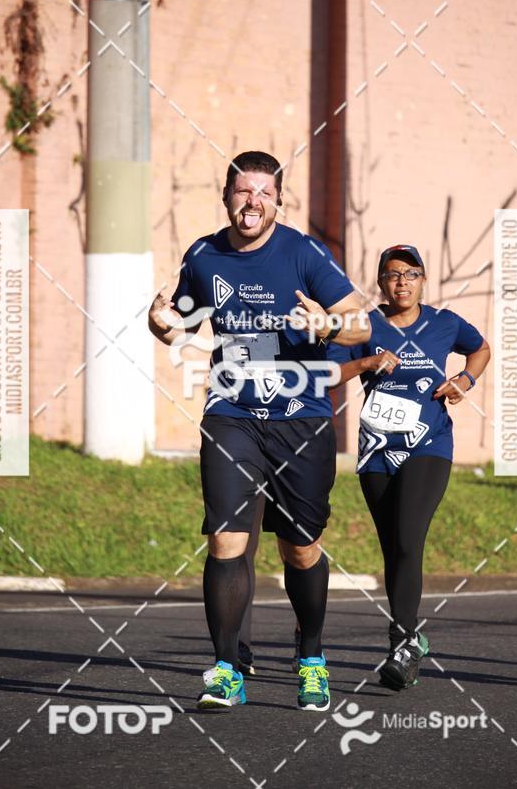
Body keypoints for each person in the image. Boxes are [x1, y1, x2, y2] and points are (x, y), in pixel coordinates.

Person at [148, 150, 370, 711]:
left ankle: (312, 658)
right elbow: (181, 321)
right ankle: (226, 669)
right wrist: (162, 328)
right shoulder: (203, 254)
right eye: (244, 192)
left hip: (301, 421)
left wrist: (328, 324)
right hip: (232, 415)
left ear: (278, 200)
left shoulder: (304, 252)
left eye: (265, 193)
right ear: (227, 198)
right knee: (226, 541)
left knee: (301, 549)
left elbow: (360, 323)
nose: (254, 202)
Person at [330, 244, 490, 691]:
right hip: (377, 449)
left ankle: (401, 645)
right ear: (380, 282)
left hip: (429, 444)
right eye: (393, 274)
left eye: (411, 273)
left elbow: (480, 349)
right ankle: (412, 636)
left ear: (423, 280)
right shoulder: (364, 326)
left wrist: (464, 380)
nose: (402, 281)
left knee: (408, 534)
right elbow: (328, 373)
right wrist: (365, 361)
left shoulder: (444, 323)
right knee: (393, 548)